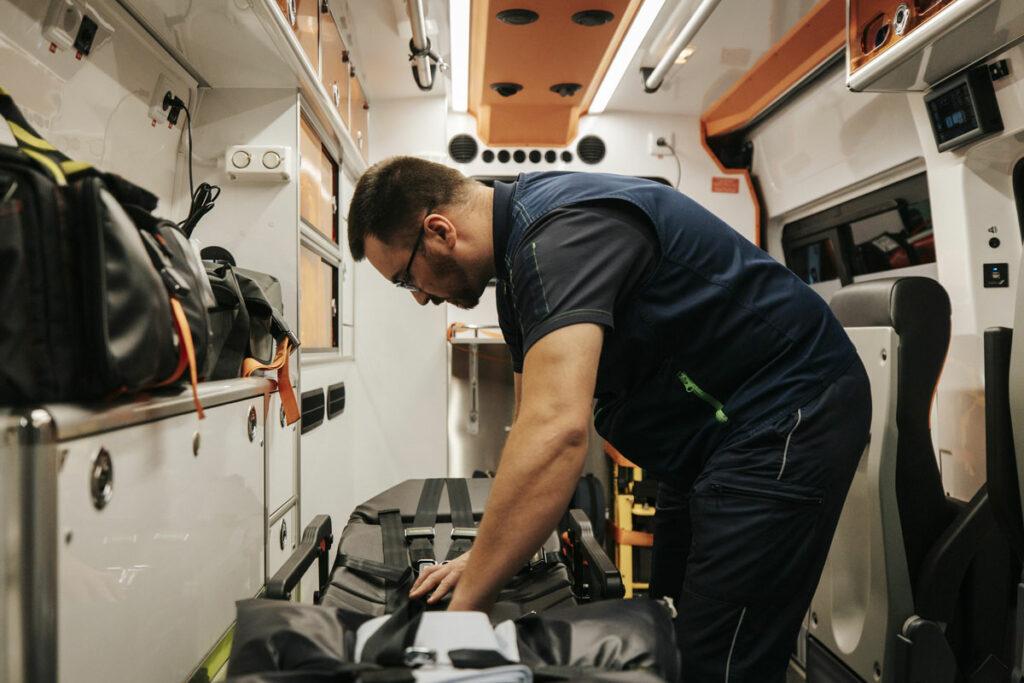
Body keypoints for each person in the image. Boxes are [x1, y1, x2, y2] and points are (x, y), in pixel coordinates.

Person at [346, 156, 871, 682]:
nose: (417, 296)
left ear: (438, 231)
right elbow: (534, 430)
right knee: (662, 624)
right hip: (709, 437)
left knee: (719, 659)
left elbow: (557, 432)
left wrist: (454, 630)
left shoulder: (562, 237)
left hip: (787, 413)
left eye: (403, 278)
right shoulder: (516, 271)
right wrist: (488, 555)